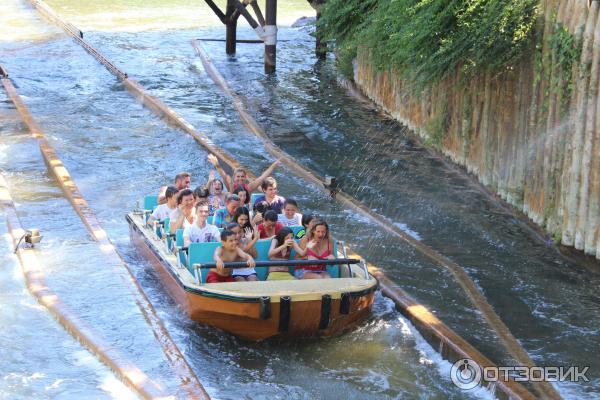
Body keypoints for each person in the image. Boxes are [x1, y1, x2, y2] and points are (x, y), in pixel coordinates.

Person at [207, 154, 281, 193]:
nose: (240, 178)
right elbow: (223, 175)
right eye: (238, 176)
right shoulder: (230, 185)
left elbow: (262, 177)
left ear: (245, 177)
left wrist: (273, 165)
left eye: (242, 176)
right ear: (234, 178)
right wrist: (216, 164)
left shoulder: (249, 187)